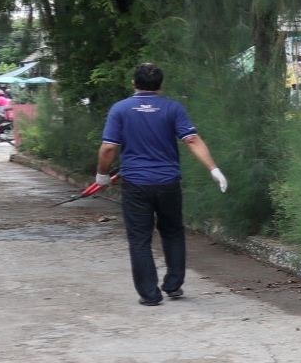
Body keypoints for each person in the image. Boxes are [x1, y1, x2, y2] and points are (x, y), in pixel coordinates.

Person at [96, 63, 228, 306]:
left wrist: (101, 175)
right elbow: (192, 140)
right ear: (161, 84)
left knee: (139, 238)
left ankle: (150, 294)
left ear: (133, 83)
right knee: (173, 232)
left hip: (135, 183)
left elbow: (108, 147)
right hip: (168, 182)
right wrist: (214, 169)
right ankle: (173, 285)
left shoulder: (121, 109)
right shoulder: (172, 108)